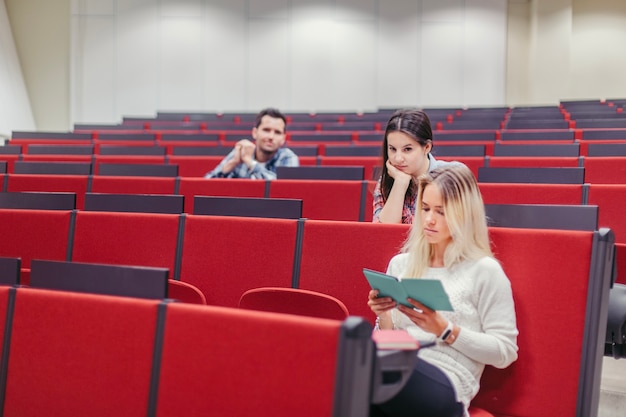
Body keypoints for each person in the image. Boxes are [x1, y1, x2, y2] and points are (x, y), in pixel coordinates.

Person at [368, 164, 518, 417]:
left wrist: (446, 330)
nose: (429, 219)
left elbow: (505, 352)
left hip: (446, 384)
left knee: (364, 369)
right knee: (357, 369)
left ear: (463, 215)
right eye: (425, 208)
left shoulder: (485, 271)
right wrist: (383, 315)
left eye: (441, 211)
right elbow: (388, 344)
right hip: (396, 374)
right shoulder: (401, 263)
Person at [373, 109, 456, 224]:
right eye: (392, 149)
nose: (398, 158)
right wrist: (400, 184)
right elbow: (381, 235)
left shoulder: (452, 176)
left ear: (427, 147)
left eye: (407, 149)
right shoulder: (385, 182)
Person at [204, 108, 299, 180]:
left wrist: (250, 163)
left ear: (283, 138)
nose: (271, 136)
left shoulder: (288, 157)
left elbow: (284, 188)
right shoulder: (242, 152)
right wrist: (232, 164)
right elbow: (206, 184)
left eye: (277, 132)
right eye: (266, 130)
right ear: (255, 133)